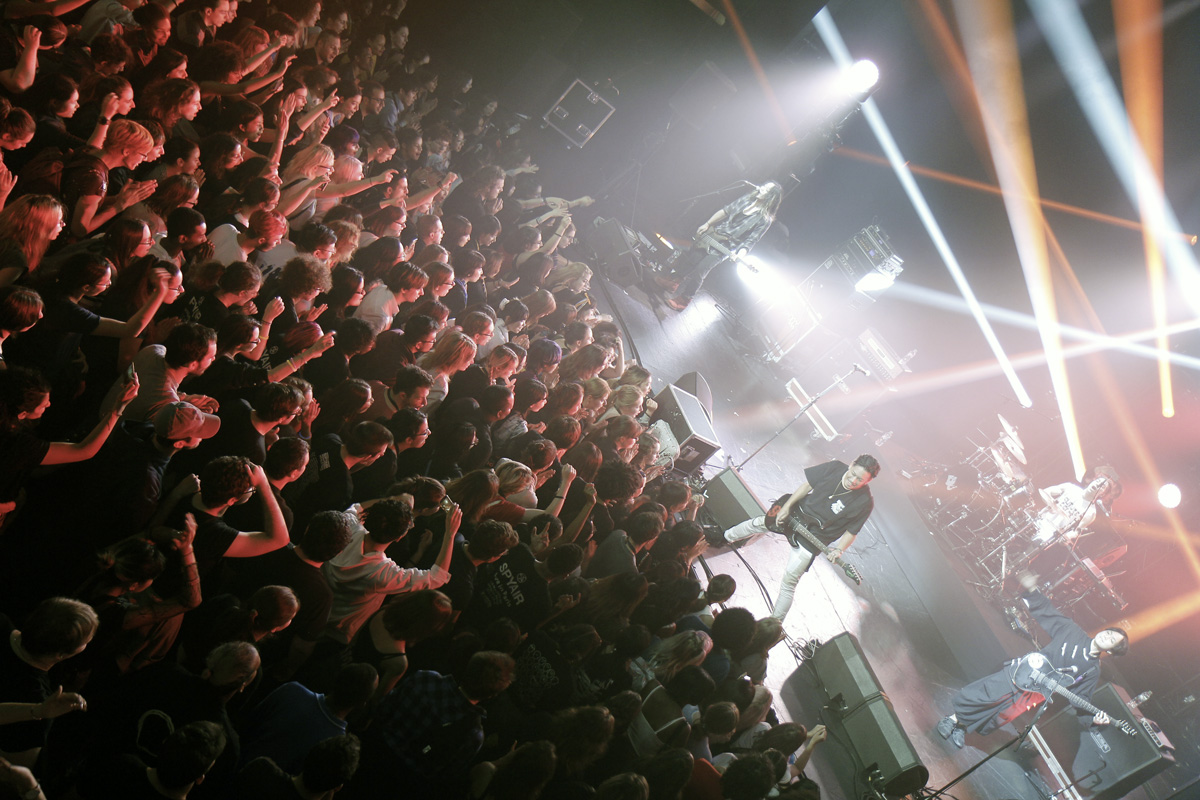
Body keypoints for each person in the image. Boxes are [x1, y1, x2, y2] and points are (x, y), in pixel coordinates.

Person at [937, 570, 1129, 749]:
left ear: (1110, 651)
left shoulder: (1092, 670)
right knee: (988, 695)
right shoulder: (1073, 631)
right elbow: (1048, 612)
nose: (1107, 636)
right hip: (1024, 671)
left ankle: (963, 727)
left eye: (1111, 640)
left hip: (1035, 693)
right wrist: (1032, 590)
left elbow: (1081, 698)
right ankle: (952, 720)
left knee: (999, 715)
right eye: (1109, 632)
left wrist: (1093, 720)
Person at [722, 454, 879, 621]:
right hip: (796, 513)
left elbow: (852, 532)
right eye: (853, 474)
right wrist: (786, 507)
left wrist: (839, 550)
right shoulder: (835, 468)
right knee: (757, 524)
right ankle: (724, 536)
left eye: (860, 480)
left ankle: (774, 624)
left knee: (789, 582)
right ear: (851, 464)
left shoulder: (865, 502)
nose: (853, 481)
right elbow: (806, 486)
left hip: (814, 536)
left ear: (868, 481)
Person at [655, 181, 782, 311]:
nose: (761, 188)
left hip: (726, 246)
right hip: (714, 234)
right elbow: (725, 211)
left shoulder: (764, 220)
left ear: (771, 197)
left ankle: (684, 300)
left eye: (766, 189)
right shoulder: (747, 199)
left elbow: (751, 240)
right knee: (691, 260)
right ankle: (672, 282)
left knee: (700, 270)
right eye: (764, 186)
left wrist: (740, 255)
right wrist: (708, 223)